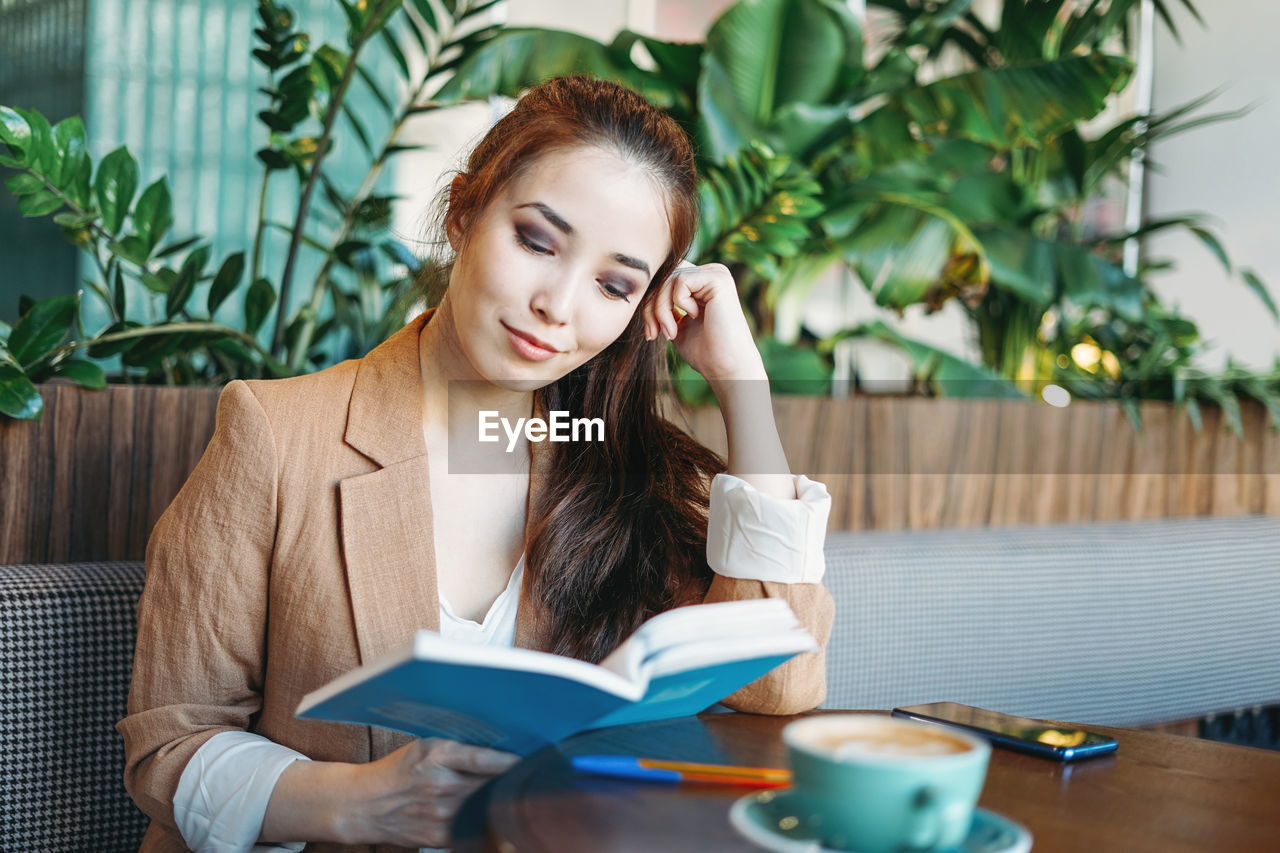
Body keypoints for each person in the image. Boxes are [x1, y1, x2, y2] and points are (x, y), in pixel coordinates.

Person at [119, 75, 834, 853]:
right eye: (536, 240)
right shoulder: (276, 432)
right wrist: (358, 801)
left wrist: (743, 388)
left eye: (614, 284)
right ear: (463, 212)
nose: (558, 305)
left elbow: (780, 687)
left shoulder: (621, 468)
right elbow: (170, 746)